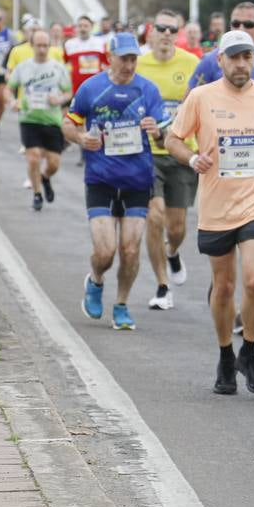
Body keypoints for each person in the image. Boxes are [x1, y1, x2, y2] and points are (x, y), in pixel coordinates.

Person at [166, 30, 254, 394]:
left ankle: (249, 350)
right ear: (219, 61)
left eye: (247, 57)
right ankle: (225, 355)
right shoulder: (202, 97)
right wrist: (192, 158)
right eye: (233, 57)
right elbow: (173, 138)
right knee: (224, 287)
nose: (241, 64)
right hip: (217, 204)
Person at [62, 32, 168, 331]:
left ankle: (121, 304)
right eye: (124, 58)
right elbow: (69, 123)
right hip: (101, 180)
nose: (129, 65)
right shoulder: (92, 88)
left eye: (134, 59)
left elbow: (168, 133)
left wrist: (157, 131)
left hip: (137, 181)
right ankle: (96, 281)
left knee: (131, 250)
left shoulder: (148, 90)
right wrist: (81, 138)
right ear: (110, 57)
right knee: (106, 252)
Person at [135, 11, 200, 311]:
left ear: (179, 33)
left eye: (171, 29)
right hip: (146, 153)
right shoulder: (138, 63)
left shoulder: (191, 64)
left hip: (182, 152)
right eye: (160, 28)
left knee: (176, 227)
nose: (165, 33)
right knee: (154, 216)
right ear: (151, 31)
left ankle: (172, 253)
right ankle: (162, 286)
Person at [189, 3, 254, 124]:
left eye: (248, 24)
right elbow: (189, 102)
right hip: (222, 140)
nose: (241, 29)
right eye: (235, 24)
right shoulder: (210, 60)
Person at [8, 28, 72, 211]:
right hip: (29, 119)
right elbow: (9, 88)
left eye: (45, 46)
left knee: (54, 163)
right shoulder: (23, 68)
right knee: (33, 158)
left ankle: (45, 177)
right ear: (32, 46)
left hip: (52, 120)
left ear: (49, 46)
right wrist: (13, 101)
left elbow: (68, 92)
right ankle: (37, 194)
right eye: (39, 46)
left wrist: (59, 99)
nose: (42, 50)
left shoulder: (57, 68)